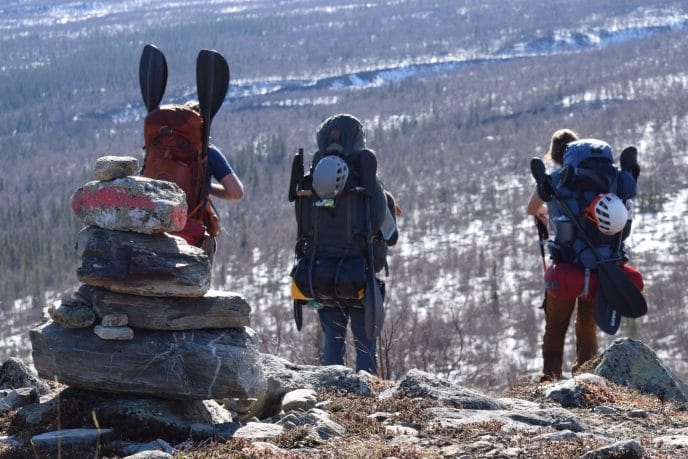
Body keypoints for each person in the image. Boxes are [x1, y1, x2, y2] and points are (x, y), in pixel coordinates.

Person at [290, 114, 398, 375]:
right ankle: (366, 404)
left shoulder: (308, 185)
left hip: (320, 278)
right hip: (359, 280)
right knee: (365, 346)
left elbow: (304, 231)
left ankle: (331, 400)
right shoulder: (369, 187)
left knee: (332, 343)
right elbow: (389, 235)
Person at [526, 128, 597, 382]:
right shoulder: (594, 179)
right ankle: (586, 376)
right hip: (594, 263)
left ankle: (551, 376)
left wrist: (548, 212)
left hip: (565, 265)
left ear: (554, 154)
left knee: (556, 325)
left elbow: (531, 208)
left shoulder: (552, 181)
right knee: (587, 323)